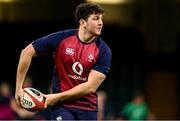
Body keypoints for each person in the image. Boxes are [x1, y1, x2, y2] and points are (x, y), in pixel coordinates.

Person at [15, 2, 112, 120]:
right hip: (62, 107)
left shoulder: (103, 51)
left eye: (101, 19)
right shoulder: (62, 39)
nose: (100, 23)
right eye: (96, 19)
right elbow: (26, 52)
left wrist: (55, 97)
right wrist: (18, 89)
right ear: (82, 22)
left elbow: (89, 87)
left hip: (87, 108)